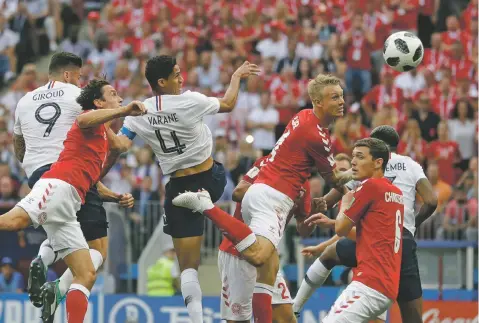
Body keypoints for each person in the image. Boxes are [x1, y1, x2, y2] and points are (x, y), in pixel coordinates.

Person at [173, 73, 352, 322]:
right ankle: (207, 206)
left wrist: (311, 210)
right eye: (335, 97)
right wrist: (356, 176)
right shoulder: (302, 145)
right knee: (259, 257)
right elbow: (333, 178)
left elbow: (303, 229)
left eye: (342, 95)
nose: (342, 101)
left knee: (276, 288)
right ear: (318, 102)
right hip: (253, 225)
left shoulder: (301, 124)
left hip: (269, 204)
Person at [103, 55, 260, 323]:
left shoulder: (139, 111)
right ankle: (210, 208)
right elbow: (229, 103)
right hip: (210, 178)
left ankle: (196, 319)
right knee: (190, 267)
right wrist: (235, 77)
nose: (182, 78)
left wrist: (105, 119)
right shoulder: (190, 100)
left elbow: (119, 146)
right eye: (176, 75)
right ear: (161, 82)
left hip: (177, 188)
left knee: (188, 268)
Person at [0, 78, 146, 323]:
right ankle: (44, 259)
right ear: (99, 102)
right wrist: (125, 110)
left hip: (70, 205)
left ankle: (54, 284)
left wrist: (137, 121)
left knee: (87, 273)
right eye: (113, 94)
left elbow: (121, 144)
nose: (119, 98)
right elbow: (83, 119)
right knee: (12, 222)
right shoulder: (88, 119)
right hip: (56, 186)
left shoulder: (102, 133)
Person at [294, 126, 438, 323]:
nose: (356, 161)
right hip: (400, 245)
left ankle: (295, 307)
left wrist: (325, 203)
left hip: (373, 269)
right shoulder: (407, 169)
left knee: (329, 255)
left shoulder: (368, 178)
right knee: (412, 318)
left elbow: (340, 220)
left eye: (360, 155)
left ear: (376, 153)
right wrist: (411, 226)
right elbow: (431, 201)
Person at [218, 156, 317, 323]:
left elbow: (303, 230)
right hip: (238, 252)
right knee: (238, 320)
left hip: (267, 253)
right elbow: (238, 193)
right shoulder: (268, 163)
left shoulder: (303, 184)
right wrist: (273, 190)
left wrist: (312, 213)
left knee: (286, 318)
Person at [319, 138, 404, 322]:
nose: (354, 162)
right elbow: (365, 235)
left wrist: (344, 205)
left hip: (369, 284)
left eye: (360, 157)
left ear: (378, 162)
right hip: (387, 285)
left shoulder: (370, 186)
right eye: (353, 157)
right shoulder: (396, 193)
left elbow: (341, 229)